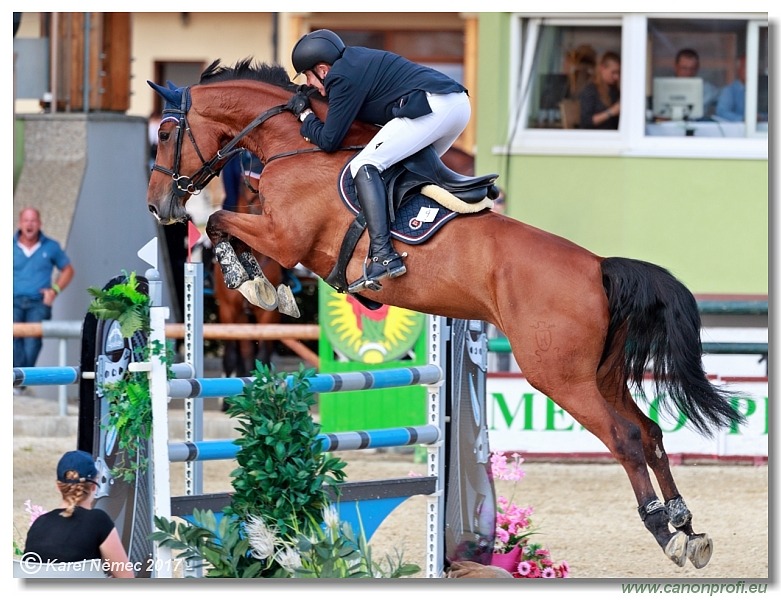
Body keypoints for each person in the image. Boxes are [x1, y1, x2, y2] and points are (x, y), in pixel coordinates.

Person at [287, 29, 470, 293]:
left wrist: (305, 117)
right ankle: (415, 244)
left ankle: (384, 255)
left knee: (364, 166)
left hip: (435, 106)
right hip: (454, 105)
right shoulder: (353, 62)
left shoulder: (340, 78)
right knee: (401, 174)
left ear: (323, 70)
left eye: (308, 76)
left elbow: (329, 141)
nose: (311, 83)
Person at [23, 450, 135, 578]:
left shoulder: (39, 524)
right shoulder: (98, 521)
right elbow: (126, 578)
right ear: (95, 486)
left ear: (58, 486)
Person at [13, 207, 74, 372]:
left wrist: (54, 291)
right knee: (11, 338)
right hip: (13, 302)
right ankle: (15, 380)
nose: (29, 224)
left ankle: (19, 381)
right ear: (19, 223)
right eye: (26, 220)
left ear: (39, 223)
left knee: (33, 342)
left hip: (38, 303)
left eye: (33, 220)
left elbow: (68, 270)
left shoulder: (51, 246)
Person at [579, 51, 621, 130]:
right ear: (602, 69)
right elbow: (586, 122)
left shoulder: (614, 91)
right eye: (613, 72)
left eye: (618, 73)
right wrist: (611, 112)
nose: (616, 77)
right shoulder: (590, 90)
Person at [673, 48, 719, 118]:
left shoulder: (708, 90)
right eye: (684, 68)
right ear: (676, 67)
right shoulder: (664, 88)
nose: (688, 73)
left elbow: (725, 104)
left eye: (692, 69)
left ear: (698, 68)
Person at [715, 55, 746, 122]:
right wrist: (743, 119)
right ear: (738, 69)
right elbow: (721, 112)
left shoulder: (764, 90)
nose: (750, 70)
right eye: (745, 67)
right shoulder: (729, 90)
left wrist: (761, 117)